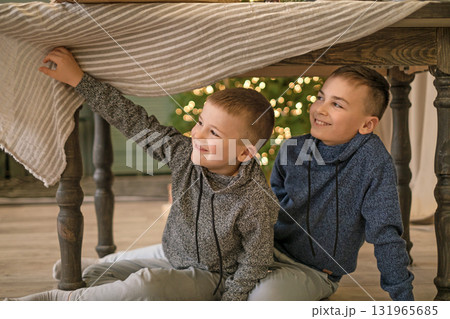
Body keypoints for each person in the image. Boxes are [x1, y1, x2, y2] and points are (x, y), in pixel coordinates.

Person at [11, 47, 279, 301]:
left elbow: (256, 260)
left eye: (214, 133)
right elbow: (133, 120)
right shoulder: (184, 154)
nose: (196, 134)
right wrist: (79, 80)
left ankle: (58, 301)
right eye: (200, 122)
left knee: (146, 284)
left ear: (244, 153)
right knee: (95, 275)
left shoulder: (254, 200)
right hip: (172, 257)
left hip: (213, 277)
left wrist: (229, 302)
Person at [248, 65, 414, 301]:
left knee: (264, 298)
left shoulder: (373, 161)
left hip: (314, 271)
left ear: (367, 125)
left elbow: (385, 232)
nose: (320, 109)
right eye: (320, 97)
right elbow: (273, 202)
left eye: (337, 104)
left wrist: (404, 299)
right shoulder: (293, 149)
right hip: (265, 252)